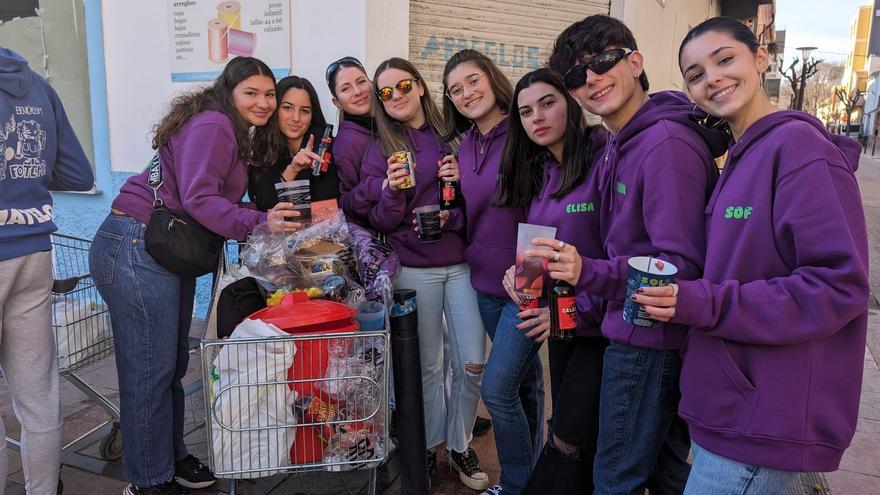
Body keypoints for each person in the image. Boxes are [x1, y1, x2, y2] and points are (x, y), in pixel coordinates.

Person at [632, 17, 870, 495]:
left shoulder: (799, 148)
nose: (712, 78)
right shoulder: (741, 153)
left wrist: (704, 303)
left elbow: (837, 285)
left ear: (760, 58)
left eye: (724, 60)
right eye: (695, 74)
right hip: (732, 404)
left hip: (763, 417)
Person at [89, 56, 299, 495]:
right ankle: (147, 482)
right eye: (252, 93)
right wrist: (258, 222)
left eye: (268, 94)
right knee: (149, 370)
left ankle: (171, 456)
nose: (263, 102)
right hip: (135, 245)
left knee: (170, 366)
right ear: (230, 91)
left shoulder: (227, 126)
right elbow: (200, 198)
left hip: (162, 249)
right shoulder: (214, 125)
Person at [541, 14, 727, 494]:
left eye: (603, 61)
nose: (593, 80)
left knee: (615, 476)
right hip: (631, 329)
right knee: (661, 474)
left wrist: (589, 272)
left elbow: (678, 265)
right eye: (577, 76)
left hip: (648, 339)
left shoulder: (664, 145)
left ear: (635, 61)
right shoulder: (621, 139)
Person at [360, 57, 490, 491]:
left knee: (473, 361)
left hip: (462, 264)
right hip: (413, 268)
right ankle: (435, 445)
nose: (395, 96)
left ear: (419, 86)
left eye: (403, 85)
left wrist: (458, 199)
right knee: (429, 368)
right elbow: (378, 219)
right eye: (385, 92)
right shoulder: (379, 148)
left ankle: (460, 442)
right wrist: (394, 192)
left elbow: (482, 204)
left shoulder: (457, 136)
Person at [495, 68, 607, 495]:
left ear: (571, 102)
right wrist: (520, 274)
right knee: (568, 431)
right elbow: (543, 243)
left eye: (547, 103)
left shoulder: (603, 154)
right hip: (561, 321)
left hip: (602, 323)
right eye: (525, 111)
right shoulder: (542, 169)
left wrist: (575, 311)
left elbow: (619, 250)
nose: (537, 118)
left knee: (571, 438)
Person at [440, 49, 543, 495]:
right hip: (482, 281)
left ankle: (518, 485)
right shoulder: (465, 144)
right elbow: (475, 215)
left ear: (492, 79)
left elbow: (543, 206)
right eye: (455, 89)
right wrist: (450, 216)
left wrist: (529, 279)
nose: (467, 93)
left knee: (498, 390)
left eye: (473, 80)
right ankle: (538, 473)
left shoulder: (524, 131)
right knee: (526, 385)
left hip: (524, 281)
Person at [0, 46, 93, 495]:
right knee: (38, 396)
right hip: (34, 253)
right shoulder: (37, 85)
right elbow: (77, 173)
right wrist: (27, 179)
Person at [248, 75, 339, 212]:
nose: (296, 118)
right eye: (288, 108)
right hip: (280, 231)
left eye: (304, 111)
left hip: (320, 231)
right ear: (275, 110)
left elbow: (327, 206)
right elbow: (265, 204)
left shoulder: (323, 143)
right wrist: (293, 170)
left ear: (312, 115)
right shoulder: (265, 144)